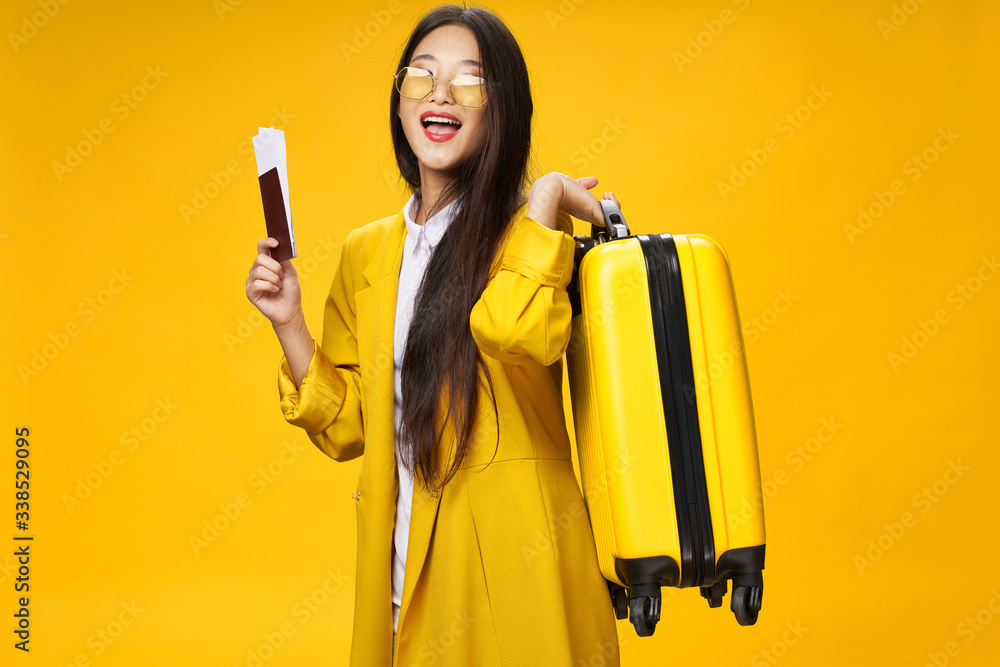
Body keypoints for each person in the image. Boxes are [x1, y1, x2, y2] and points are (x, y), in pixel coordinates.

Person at [246, 3, 622, 665]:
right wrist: (290, 323)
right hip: (401, 572)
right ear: (399, 103)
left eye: (470, 82)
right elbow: (349, 425)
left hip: (516, 574)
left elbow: (516, 330)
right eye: (421, 76)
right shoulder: (369, 251)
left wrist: (545, 198)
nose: (441, 93)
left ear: (500, 111)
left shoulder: (531, 239)